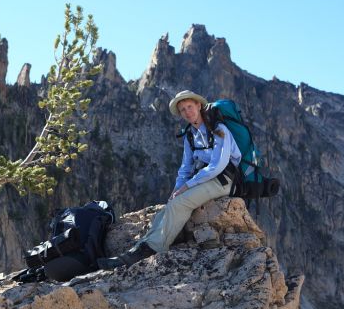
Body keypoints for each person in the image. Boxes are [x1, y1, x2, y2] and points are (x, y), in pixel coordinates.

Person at [97, 90, 242, 270]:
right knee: (167, 208)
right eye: (182, 110)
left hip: (224, 180)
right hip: (206, 180)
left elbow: (217, 166)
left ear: (199, 105)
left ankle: (153, 248)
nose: (187, 112)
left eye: (190, 106)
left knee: (180, 205)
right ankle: (139, 248)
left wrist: (188, 185)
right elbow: (185, 168)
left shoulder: (219, 130)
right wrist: (176, 189)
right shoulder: (190, 135)